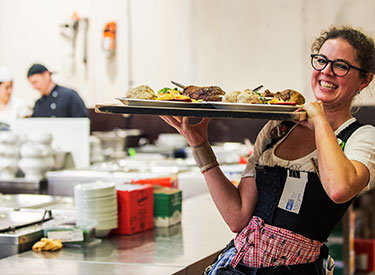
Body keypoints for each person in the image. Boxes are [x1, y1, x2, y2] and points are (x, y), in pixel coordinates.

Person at [161, 25, 375, 275]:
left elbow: (339, 189)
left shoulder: (361, 137)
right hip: (236, 266)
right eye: (321, 61)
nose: (326, 72)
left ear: (364, 80)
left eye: (341, 66)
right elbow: (237, 217)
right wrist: (199, 145)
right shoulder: (278, 127)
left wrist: (318, 119)